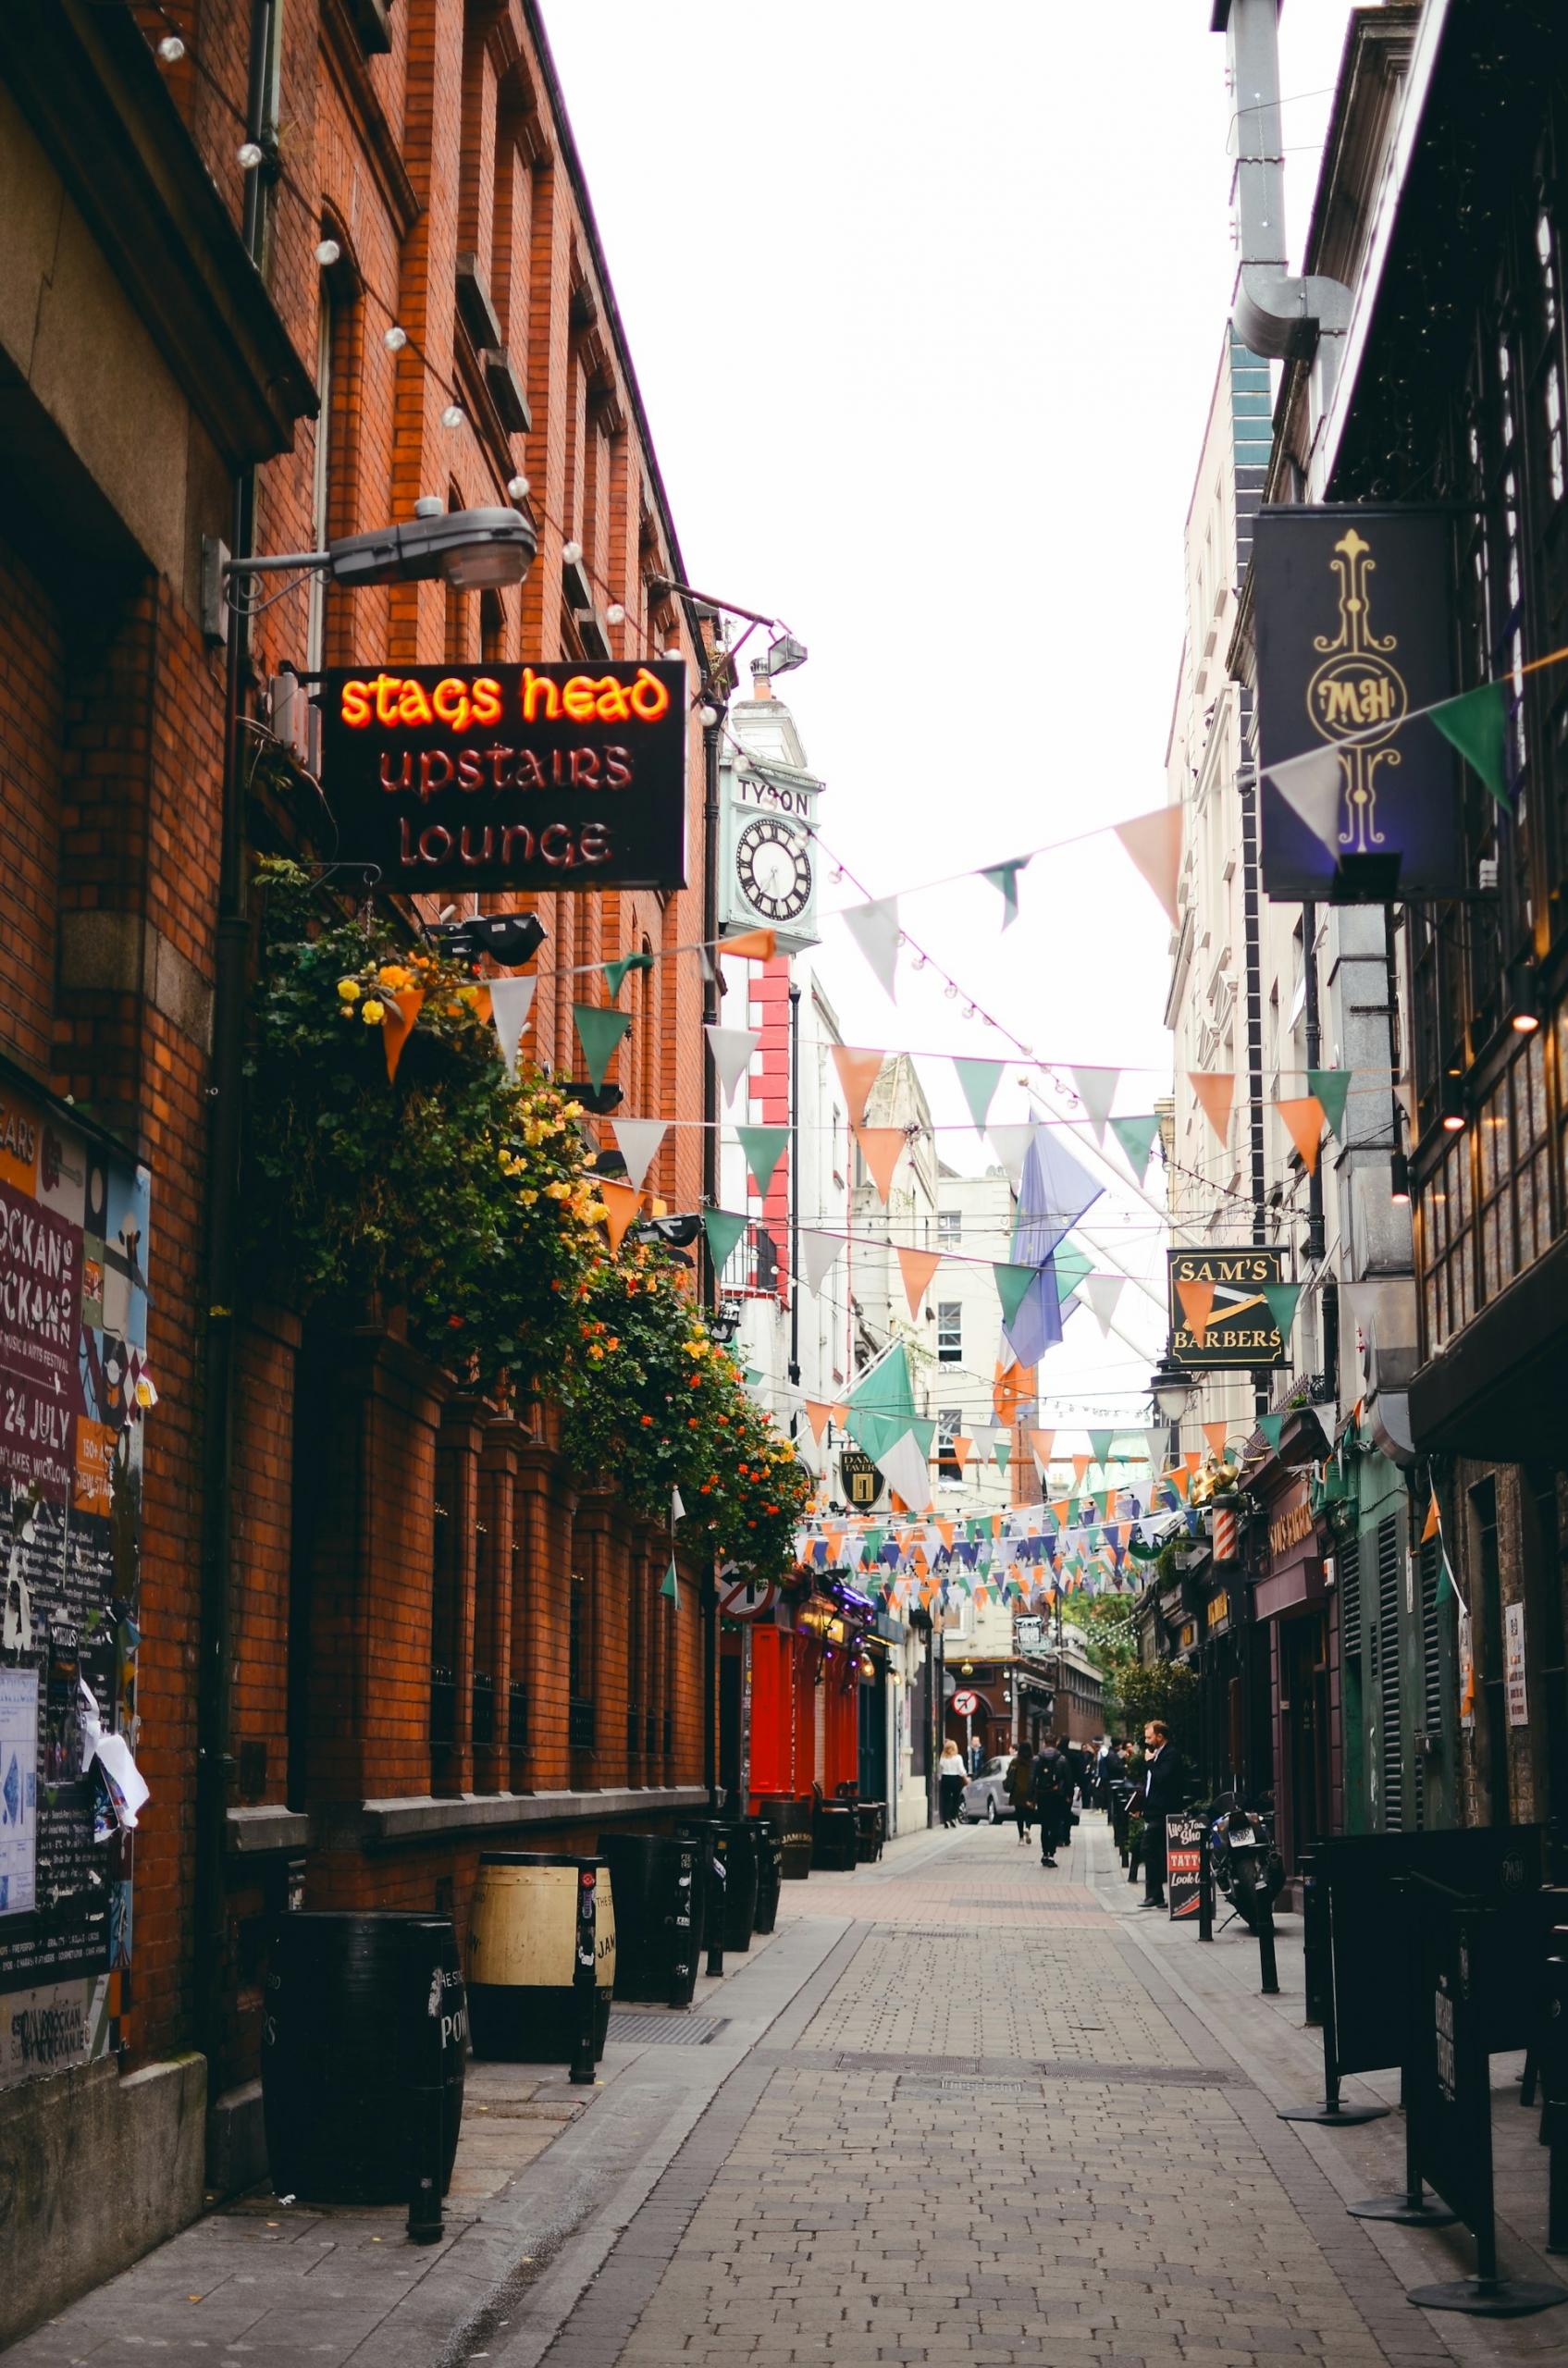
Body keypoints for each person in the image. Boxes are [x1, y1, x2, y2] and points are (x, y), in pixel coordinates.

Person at [1139, 1719, 1183, 1908]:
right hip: (1154, 1810)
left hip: (1164, 1811)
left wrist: (1150, 1763)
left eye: (1149, 1737)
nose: (1147, 1741)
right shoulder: (1157, 1754)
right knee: (1155, 1851)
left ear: (1160, 1736)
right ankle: (1157, 1895)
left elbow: (1162, 1778)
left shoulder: (1171, 1754)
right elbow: (1151, 1784)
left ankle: (1155, 1895)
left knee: (1148, 1848)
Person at [1031, 1734, 1071, 1868]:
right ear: (1056, 1743)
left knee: (1044, 1825)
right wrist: (1069, 1795)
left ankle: (1044, 1853)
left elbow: (1031, 1779)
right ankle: (1051, 1854)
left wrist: (1031, 1797)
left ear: (1044, 1743)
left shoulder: (1037, 1759)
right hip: (1057, 1796)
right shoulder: (1062, 1759)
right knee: (1054, 1825)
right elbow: (1068, 1779)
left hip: (1043, 1796)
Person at [1004, 1739, 1034, 1844]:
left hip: (1017, 1791)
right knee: (1029, 1812)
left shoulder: (1015, 1761)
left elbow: (1009, 1774)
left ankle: (1021, 1838)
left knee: (1019, 1815)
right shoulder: (1033, 1762)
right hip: (1030, 1791)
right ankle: (1028, 1828)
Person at [938, 1738, 967, 1829]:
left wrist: (940, 1778)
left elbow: (940, 1769)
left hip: (945, 1778)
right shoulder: (958, 1757)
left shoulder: (943, 1757)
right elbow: (961, 1770)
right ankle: (953, 1818)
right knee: (955, 1799)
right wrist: (965, 1778)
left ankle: (946, 1819)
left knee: (945, 1800)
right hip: (955, 1779)